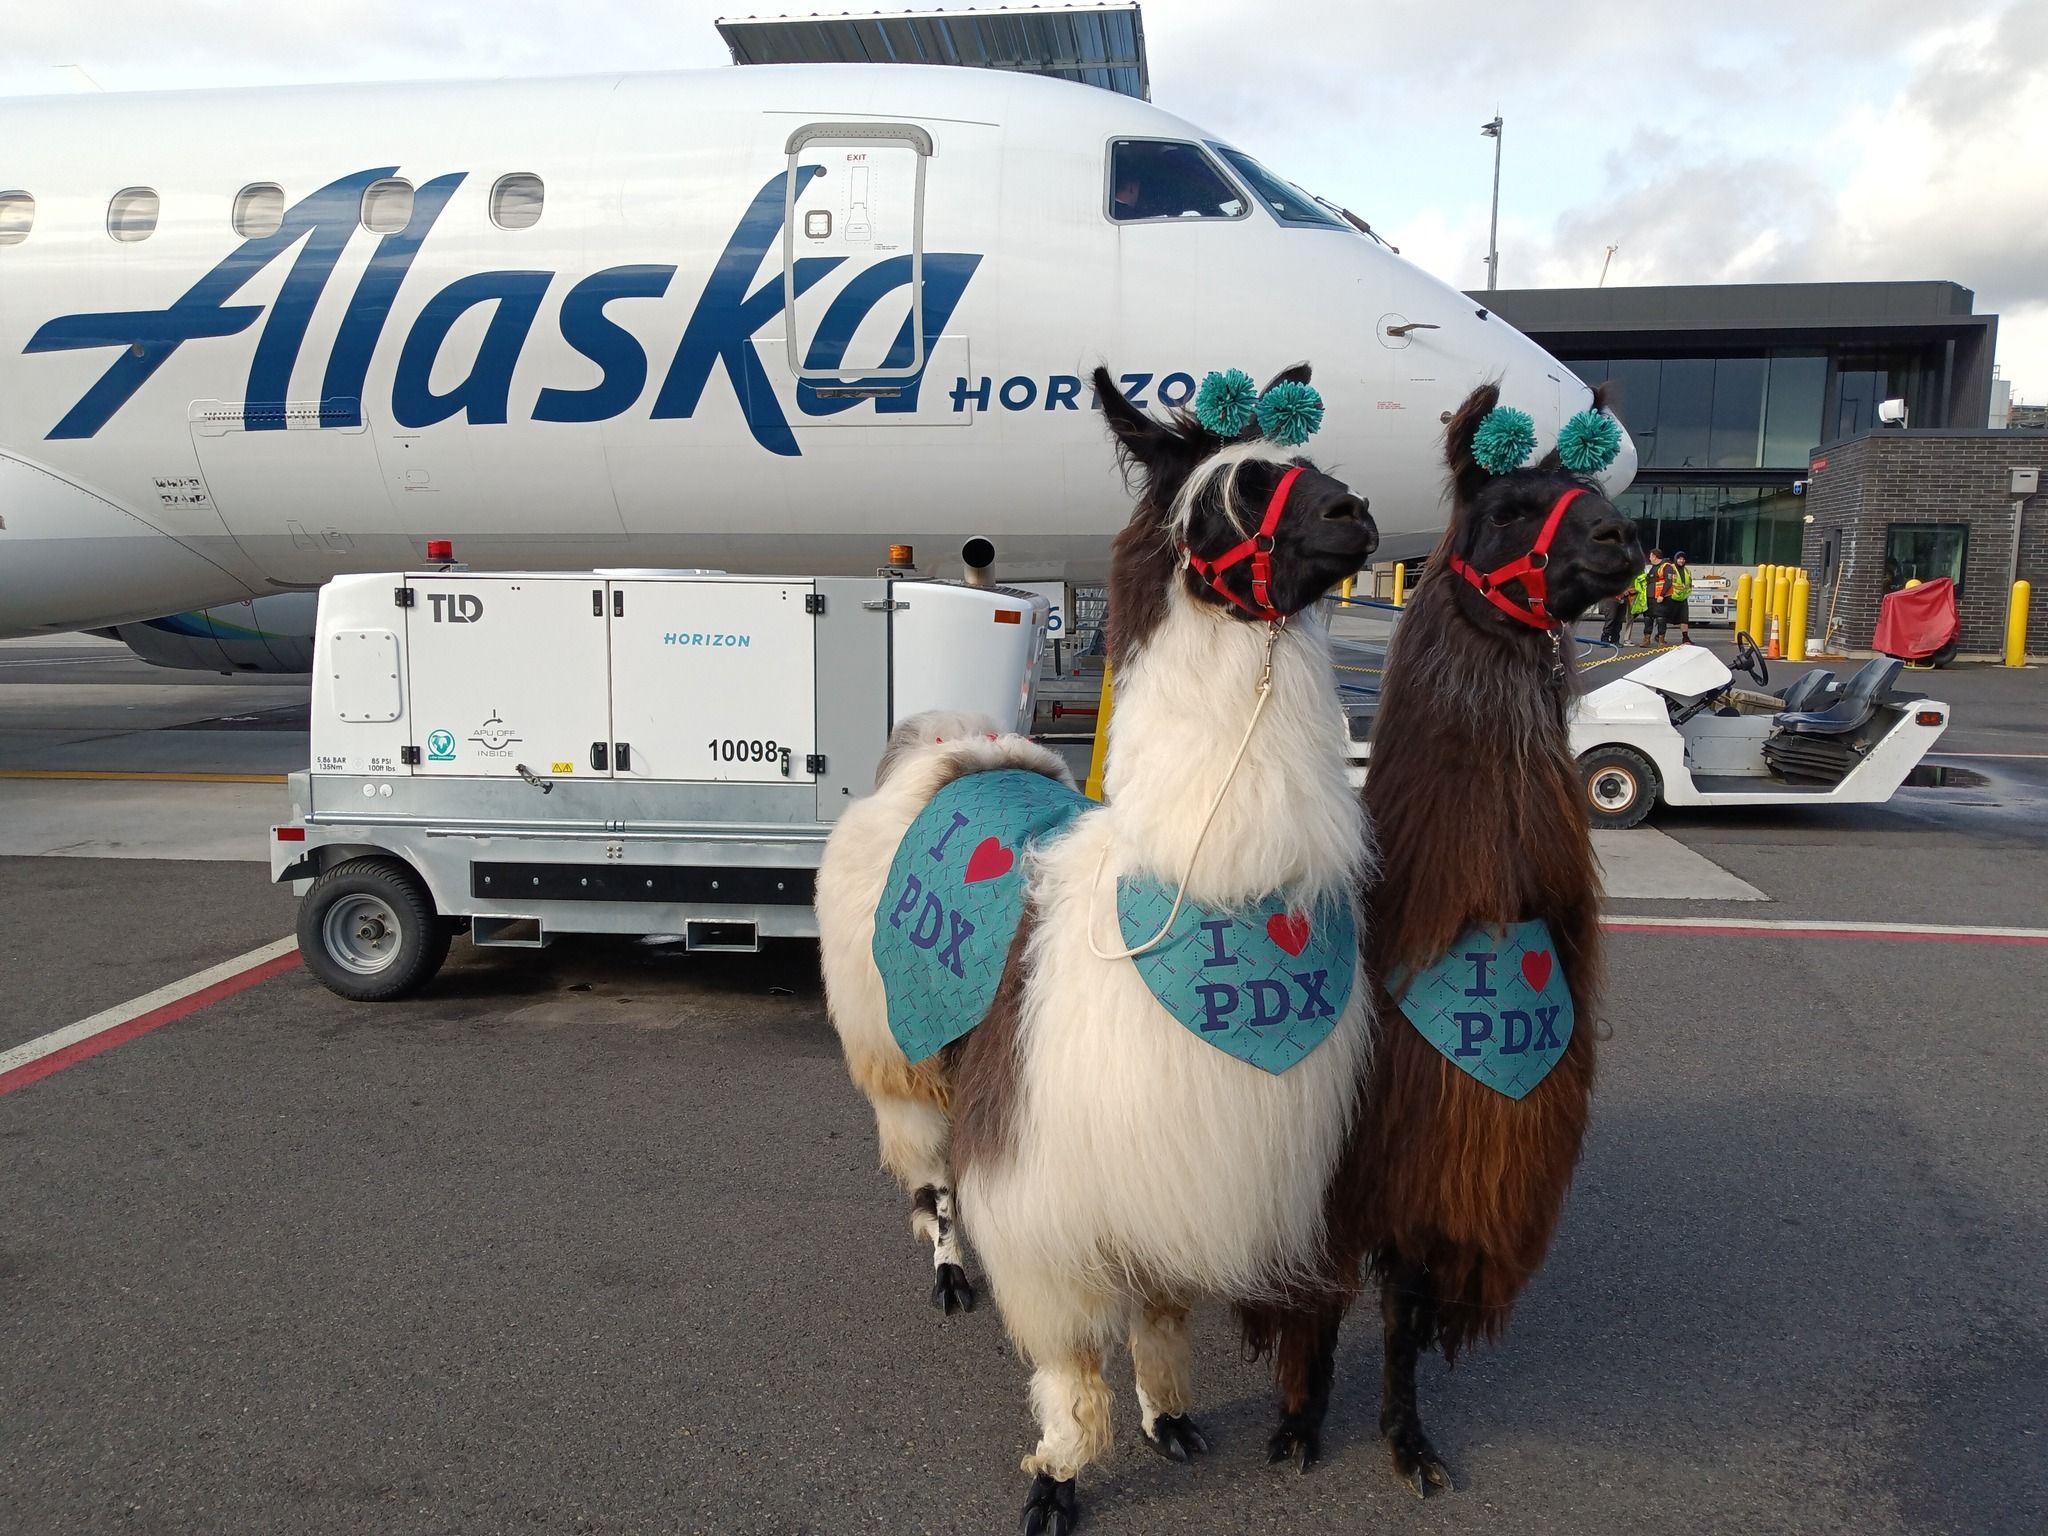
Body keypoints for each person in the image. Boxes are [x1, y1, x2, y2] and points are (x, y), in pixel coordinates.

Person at [1666, 551, 1695, 645]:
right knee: (1666, 618)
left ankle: (1685, 638)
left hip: (1683, 598)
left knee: (1684, 619)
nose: (1681, 560)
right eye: (1679, 558)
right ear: (1675, 559)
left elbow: (1689, 583)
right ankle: (1660, 635)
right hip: (1672, 597)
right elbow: (1667, 582)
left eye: (1683, 559)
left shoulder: (1687, 571)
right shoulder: (1671, 569)